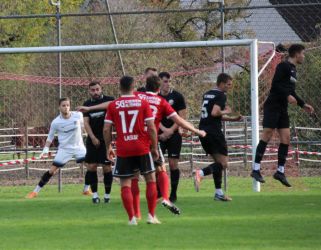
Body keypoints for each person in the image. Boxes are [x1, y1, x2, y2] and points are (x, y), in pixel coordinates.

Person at [131, 76, 206, 218]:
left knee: (133, 177)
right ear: (158, 89)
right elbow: (180, 120)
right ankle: (165, 198)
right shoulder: (161, 101)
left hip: (131, 140)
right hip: (149, 141)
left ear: (145, 85)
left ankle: (135, 214)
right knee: (160, 171)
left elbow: (115, 103)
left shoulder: (137, 95)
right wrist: (197, 131)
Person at [251, 44, 314, 187]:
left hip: (282, 108)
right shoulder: (283, 66)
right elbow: (276, 85)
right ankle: (255, 169)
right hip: (272, 105)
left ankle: (280, 171)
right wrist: (287, 96)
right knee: (267, 134)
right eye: (302, 54)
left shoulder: (293, 70)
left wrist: (302, 104)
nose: (303, 56)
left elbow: (291, 91)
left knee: (286, 138)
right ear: (297, 54)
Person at [103, 76, 160, 225]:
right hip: (142, 147)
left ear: (119, 87)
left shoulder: (113, 105)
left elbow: (106, 128)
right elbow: (152, 128)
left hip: (124, 149)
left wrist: (108, 146)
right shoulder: (143, 103)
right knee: (150, 180)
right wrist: (154, 147)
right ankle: (151, 216)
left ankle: (132, 218)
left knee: (125, 184)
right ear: (133, 87)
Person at [194, 73, 242, 201]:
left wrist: (232, 119)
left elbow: (212, 115)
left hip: (203, 131)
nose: (229, 87)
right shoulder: (221, 95)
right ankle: (201, 173)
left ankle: (218, 193)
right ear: (221, 83)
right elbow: (215, 113)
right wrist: (227, 111)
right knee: (224, 164)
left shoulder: (208, 93)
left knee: (218, 163)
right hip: (214, 133)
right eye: (228, 84)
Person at [26, 98, 86, 198]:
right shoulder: (56, 122)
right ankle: (35, 192)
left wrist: (88, 135)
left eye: (68, 105)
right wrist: (46, 149)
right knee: (52, 171)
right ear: (59, 107)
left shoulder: (78, 115)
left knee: (91, 166)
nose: (66, 107)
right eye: (63, 105)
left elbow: (84, 127)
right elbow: (50, 137)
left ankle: (86, 189)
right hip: (64, 149)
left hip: (79, 147)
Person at [82, 81, 114, 204]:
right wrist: (93, 137)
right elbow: (86, 123)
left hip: (106, 139)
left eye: (97, 89)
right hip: (92, 139)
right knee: (91, 166)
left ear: (101, 89)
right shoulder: (87, 104)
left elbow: (111, 105)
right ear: (89, 91)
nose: (95, 92)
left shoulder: (109, 100)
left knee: (106, 167)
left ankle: (107, 195)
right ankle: (94, 195)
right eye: (93, 90)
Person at [158, 71, 186, 202]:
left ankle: (173, 193)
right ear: (159, 82)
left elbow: (182, 117)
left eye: (169, 81)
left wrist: (170, 130)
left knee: (173, 164)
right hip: (159, 135)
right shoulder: (155, 97)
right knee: (158, 165)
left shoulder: (178, 96)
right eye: (164, 81)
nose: (167, 84)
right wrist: (163, 130)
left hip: (174, 135)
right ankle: (160, 193)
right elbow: (152, 117)